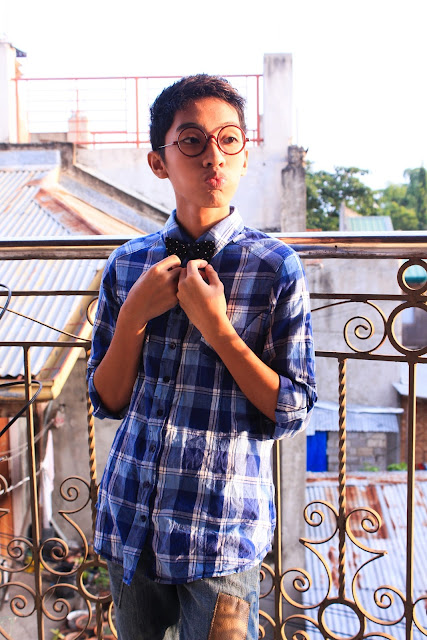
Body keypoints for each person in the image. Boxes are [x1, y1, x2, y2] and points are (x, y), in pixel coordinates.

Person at [87, 74, 316, 640]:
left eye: (229, 139)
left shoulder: (274, 267)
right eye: (191, 140)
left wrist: (218, 329)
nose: (214, 155)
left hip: (220, 531)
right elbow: (107, 399)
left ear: (244, 156)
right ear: (158, 162)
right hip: (130, 519)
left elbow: (291, 410)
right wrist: (134, 314)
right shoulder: (128, 264)